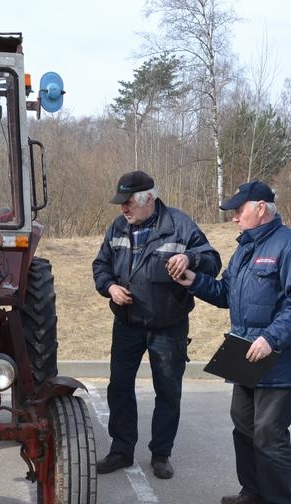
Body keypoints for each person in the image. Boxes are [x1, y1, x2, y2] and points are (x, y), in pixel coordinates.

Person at [174, 180, 291, 504]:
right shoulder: (244, 249)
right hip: (244, 351)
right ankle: (254, 489)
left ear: (260, 208)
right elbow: (226, 292)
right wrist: (193, 280)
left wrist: (272, 339)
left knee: (269, 433)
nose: (233, 218)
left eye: (238, 211)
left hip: (276, 355)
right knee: (243, 425)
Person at [92, 171, 222, 479]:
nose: (123, 210)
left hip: (168, 324)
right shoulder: (118, 227)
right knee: (120, 387)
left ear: (148, 199)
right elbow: (100, 265)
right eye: (121, 204)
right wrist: (109, 287)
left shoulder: (179, 225)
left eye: (128, 204)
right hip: (127, 323)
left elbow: (213, 261)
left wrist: (190, 258)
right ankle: (121, 450)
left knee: (167, 390)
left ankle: (161, 454)